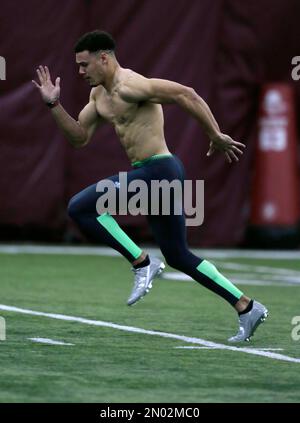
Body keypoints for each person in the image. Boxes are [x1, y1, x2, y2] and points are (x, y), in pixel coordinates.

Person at [32, 30, 268, 342]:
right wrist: (53, 105)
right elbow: (79, 137)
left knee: (80, 207)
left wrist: (215, 134)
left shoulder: (131, 85)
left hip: (160, 171)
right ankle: (246, 307)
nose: (80, 72)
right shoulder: (99, 98)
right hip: (151, 176)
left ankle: (142, 262)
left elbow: (186, 94)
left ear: (104, 58)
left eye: (84, 64)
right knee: (179, 256)